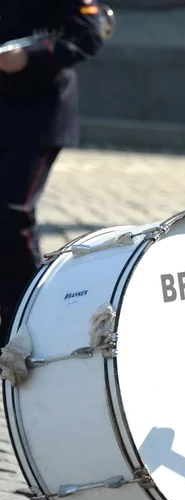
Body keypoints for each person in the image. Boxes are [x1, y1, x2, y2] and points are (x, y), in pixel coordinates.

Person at [0, 0, 105, 347]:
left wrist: (31, 56)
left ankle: (29, 317)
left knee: (12, 212)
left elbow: (90, 34)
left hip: (38, 114)